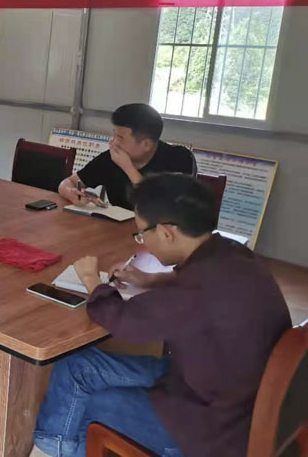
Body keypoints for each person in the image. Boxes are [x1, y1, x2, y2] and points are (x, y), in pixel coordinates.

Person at [30, 173, 291, 457]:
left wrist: (91, 280)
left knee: (88, 406)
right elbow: (191, 286)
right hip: (219, 389)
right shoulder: (231, 252)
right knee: (76, 366)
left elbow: (125, 322)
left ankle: (53, 449)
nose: (143, 242)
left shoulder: (196, 291)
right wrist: (151, 280)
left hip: (209, 428)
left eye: (142, 234)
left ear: (167, 232)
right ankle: (55, 443)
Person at [58, 103, 195, 209]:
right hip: (119, 230)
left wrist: (128, 168)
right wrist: (71, 192)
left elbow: (161, 208)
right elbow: (68, 182)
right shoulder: (110, 158)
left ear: (146, 144)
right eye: (114, 135)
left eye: (120, 138)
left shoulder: (179, 158)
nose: (113, 142)